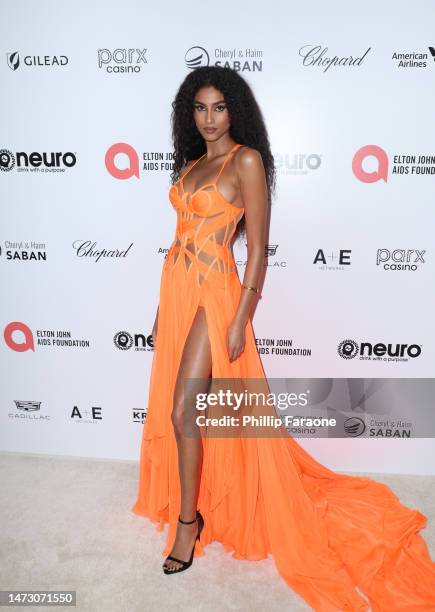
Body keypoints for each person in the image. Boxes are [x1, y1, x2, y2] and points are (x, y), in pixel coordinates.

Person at [131, 66, 435, 610]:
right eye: (199, 108)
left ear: (235, 110)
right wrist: (160, 309)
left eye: (219, 107)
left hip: (216, 294)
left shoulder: (245, 161)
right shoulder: (193, 163)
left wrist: (239, 316)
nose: (208, 118)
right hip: (176, 288)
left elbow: (259, 247)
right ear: (189, 113)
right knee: (183, 411)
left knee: (183, 411)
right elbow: (176, 238)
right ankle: (191, 504)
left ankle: (187, 522)